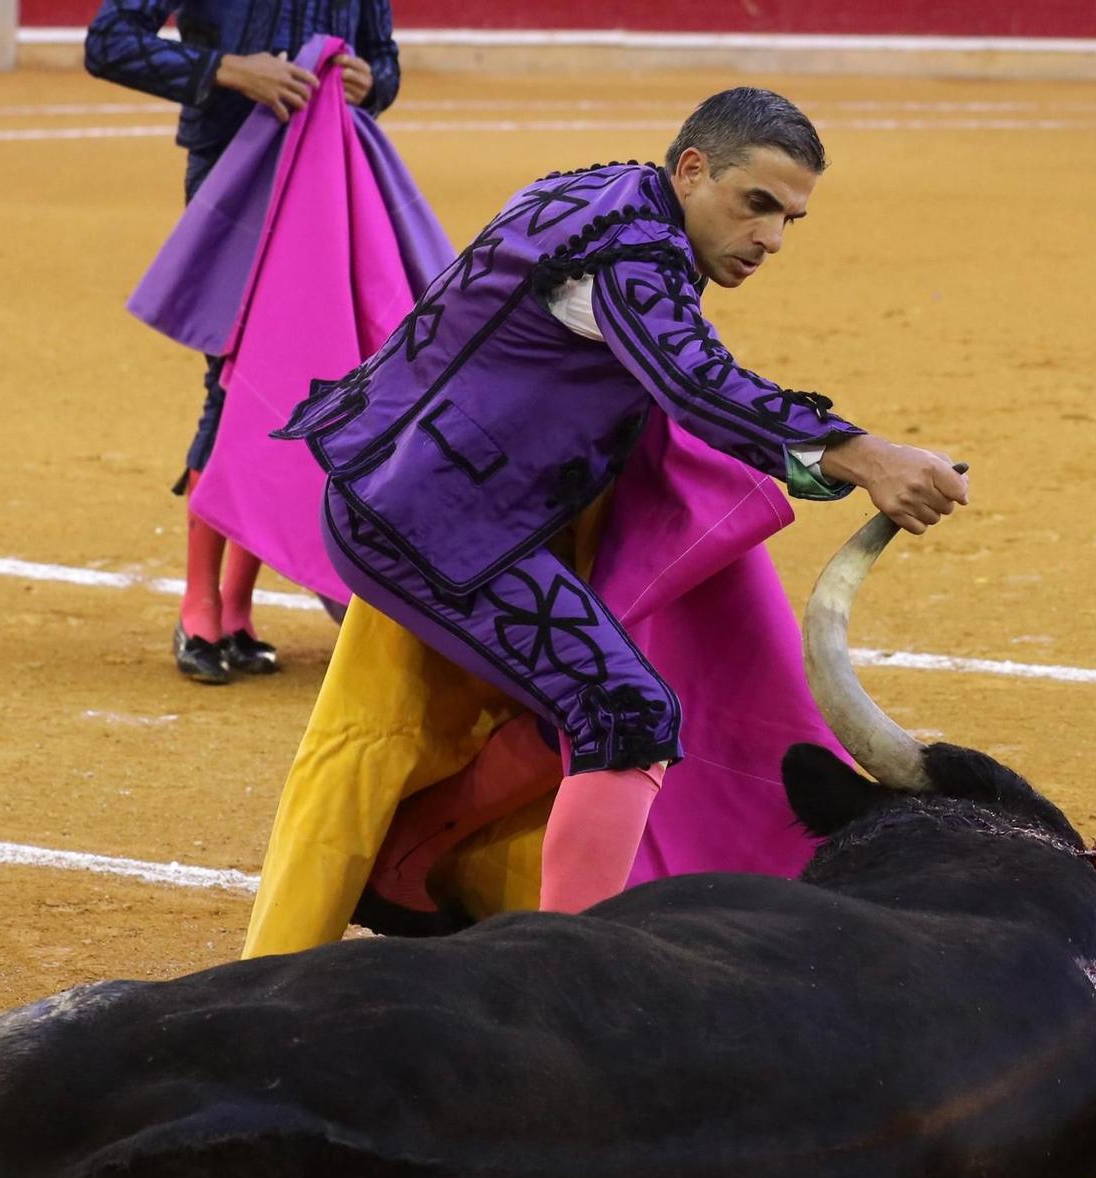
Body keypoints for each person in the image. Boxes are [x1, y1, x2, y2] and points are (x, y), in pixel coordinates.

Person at [275, 87, 970, 912]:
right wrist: (865, 455)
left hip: (434, 498)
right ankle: (568, 958)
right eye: (756, 205)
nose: (772, 239)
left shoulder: (602, 195)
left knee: (600, 684)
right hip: (427, 524)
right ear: (693, 169)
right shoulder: (629, 252)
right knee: (626, 709)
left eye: (790, 219)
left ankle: (407, 857)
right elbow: (694, 382)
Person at [83, 0, 402, 683]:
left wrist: (369, 82)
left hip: (326, 173)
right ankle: (200, 604)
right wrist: (227, 70)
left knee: (301, 376)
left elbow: (384, 60)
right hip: (233, 165)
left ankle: (236, 603)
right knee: (231, 379)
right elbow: (108, 41)